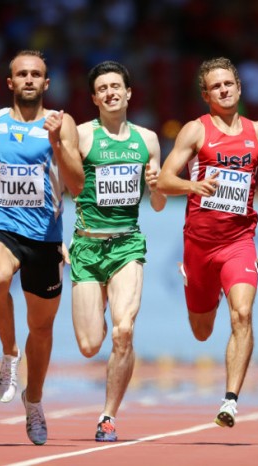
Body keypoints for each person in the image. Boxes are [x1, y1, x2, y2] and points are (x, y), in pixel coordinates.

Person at [157, 57, 258, 428]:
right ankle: (204, 285)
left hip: (239, 241)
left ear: (239, 87)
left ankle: (230, 401)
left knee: (243, 314)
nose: (224, 90)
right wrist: (193, 185)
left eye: (228, 83)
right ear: (206, 95)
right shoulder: (195, 131)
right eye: (215, 87)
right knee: (202, 332)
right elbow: (164, 180)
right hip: (199, 245)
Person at [0, 50, 83, 445]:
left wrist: (57, 142)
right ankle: (10, 354)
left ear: (46, 83)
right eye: (22, 74)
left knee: (41, 329)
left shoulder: (61, 123)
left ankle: (34, 401)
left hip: (45, 236)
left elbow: (77, 184)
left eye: (36, 74)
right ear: (10, 82)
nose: (29, 79)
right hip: (1, 224)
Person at [68, 61, 167, 442]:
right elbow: (59, 185)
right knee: (90, 344)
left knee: (124, 331)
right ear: (94, 98)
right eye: (102, 89)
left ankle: (108, 416)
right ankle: (99, 311)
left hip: (127, 244)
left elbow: (158, 204)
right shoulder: (81, 135)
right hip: (87, 246)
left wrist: (156, 186)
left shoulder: (148, 140)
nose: (110, 93)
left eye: (115, 86)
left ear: (128, 93)